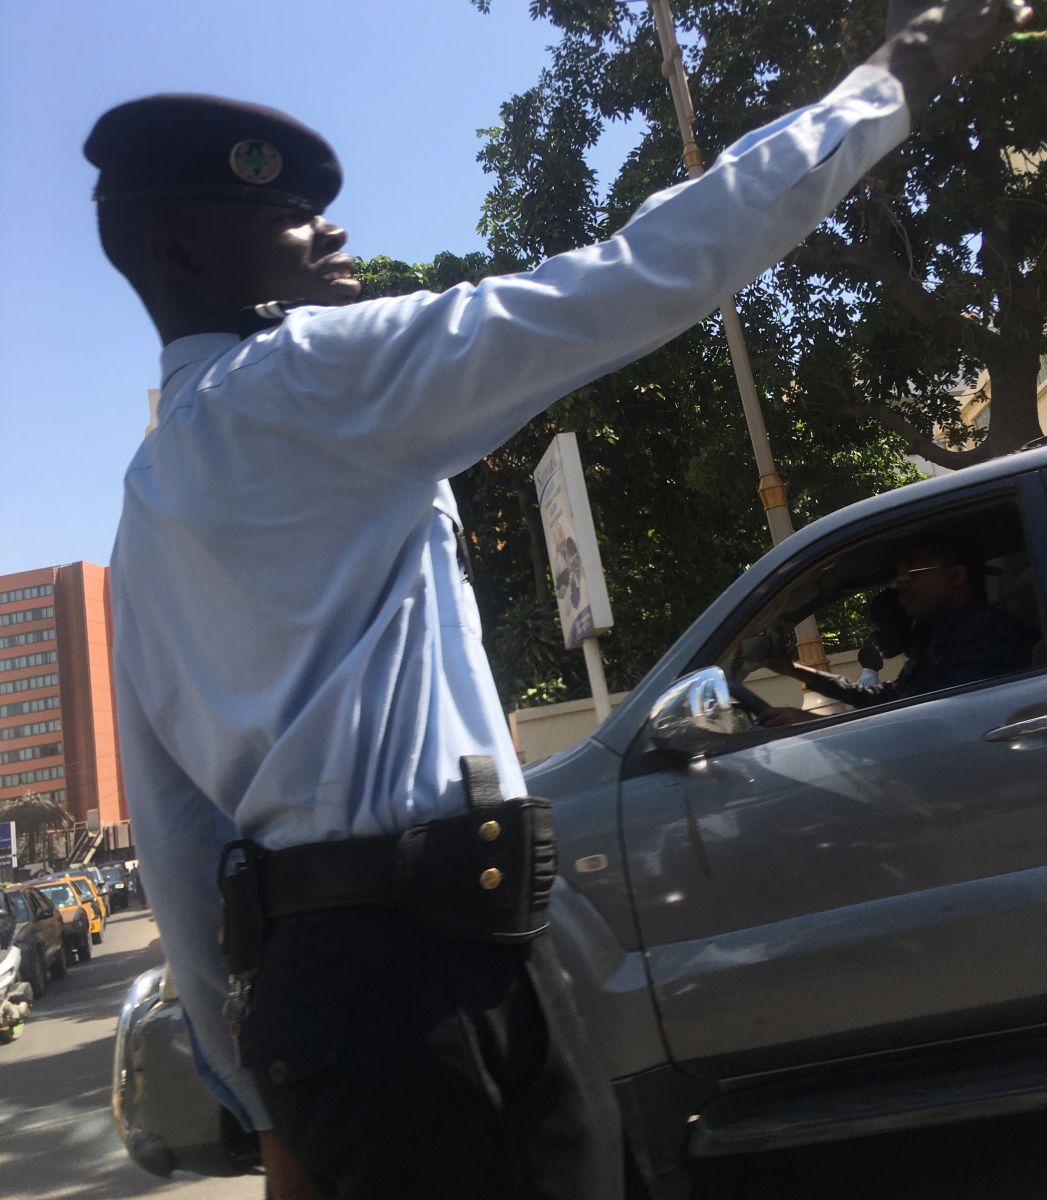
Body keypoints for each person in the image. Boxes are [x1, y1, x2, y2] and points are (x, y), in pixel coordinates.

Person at [84, 3, 1033, 1196]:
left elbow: (176, 839)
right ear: (183, 256)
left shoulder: (145, 503)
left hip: (343, 996)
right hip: (436, 984)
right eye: (284, 214)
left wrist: (260, 1090)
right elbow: (644, 272)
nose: (329, 228)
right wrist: (892, 77)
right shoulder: (314, 378)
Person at [761, 537, 1035, 726]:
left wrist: (813, 724)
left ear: (956, 576)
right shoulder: (936, 635)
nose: (901, 586)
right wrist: (794, 669)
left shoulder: (987, 636)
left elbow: (940, 727)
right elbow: (892, 698)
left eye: (911, 574)